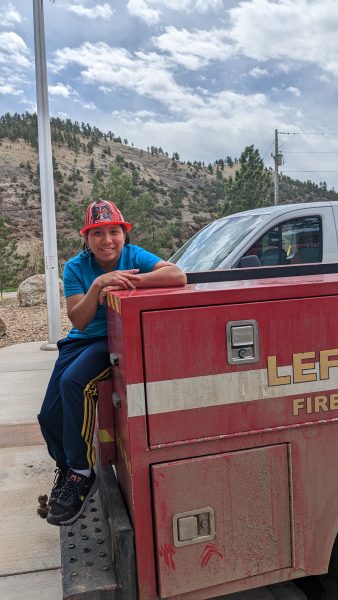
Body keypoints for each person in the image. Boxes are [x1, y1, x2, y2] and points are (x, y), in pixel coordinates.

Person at [38, 199, 187, 526]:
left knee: (73, 383)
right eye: (98, 233)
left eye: (114, 231)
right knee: (47, 414)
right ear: (86, 238)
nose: (107, 240)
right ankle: (66, 467)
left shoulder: (136, 257)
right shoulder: (76, 267)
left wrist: (123, 281)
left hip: (113, 339)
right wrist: (98, 285)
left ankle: (81, 473)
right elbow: (79, 320)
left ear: (124, 233)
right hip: (80, 341)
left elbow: (177, 276)